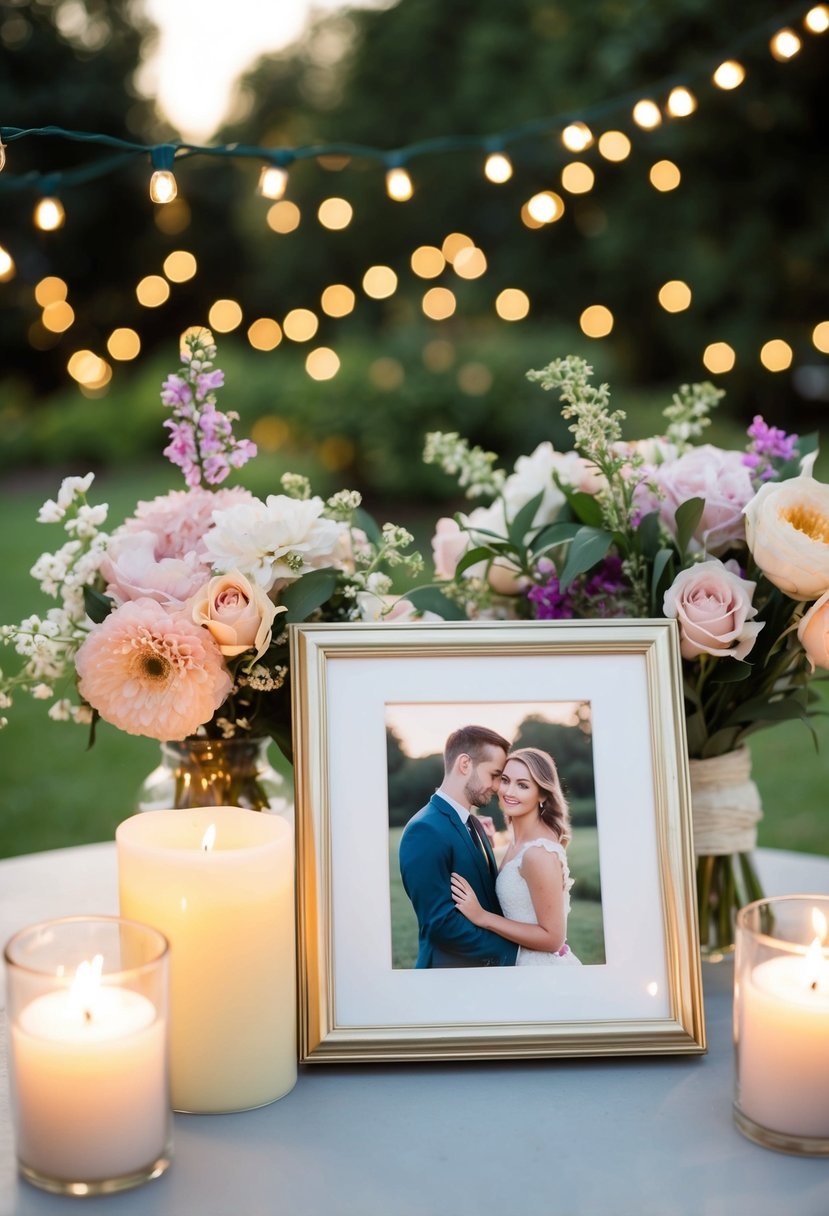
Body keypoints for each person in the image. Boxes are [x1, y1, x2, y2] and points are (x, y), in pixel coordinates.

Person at [398, 725, 518, 968]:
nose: (498, 787)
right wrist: (515, 952)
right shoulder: (425, 830)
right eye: (494, 775)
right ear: (465, 764)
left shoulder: (473, 823)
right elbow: (441, 925)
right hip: (448, 975)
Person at [450, 747, 582, 966]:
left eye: (522, 785)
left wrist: (483, 917)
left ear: (542, 794)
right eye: (505, 780)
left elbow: (553, 938)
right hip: (516, 963)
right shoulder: (518, 842)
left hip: (540, 972)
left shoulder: (538, 854)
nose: (509, 792)